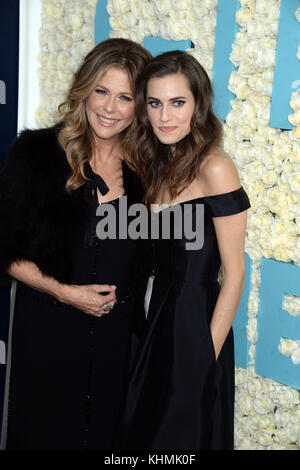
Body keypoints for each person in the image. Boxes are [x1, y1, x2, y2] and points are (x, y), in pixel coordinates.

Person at [0, 38, 152, 450]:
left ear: (139, 105)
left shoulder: (147, 172)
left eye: (125, 97)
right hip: (50, 334)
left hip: (119, 344)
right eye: (101, 91)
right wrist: (65, 293)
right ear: (84, 89)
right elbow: (6, 252)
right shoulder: (37, 155)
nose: (109, 108)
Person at [118, 50, 251, 450]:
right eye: (155, 104)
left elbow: (235, 272)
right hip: (152, 322)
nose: (164, 117)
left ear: (198, 106)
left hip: (193, 327)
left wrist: (202, 355)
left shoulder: (216, 167)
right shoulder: (157, 164)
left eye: (178, 103)